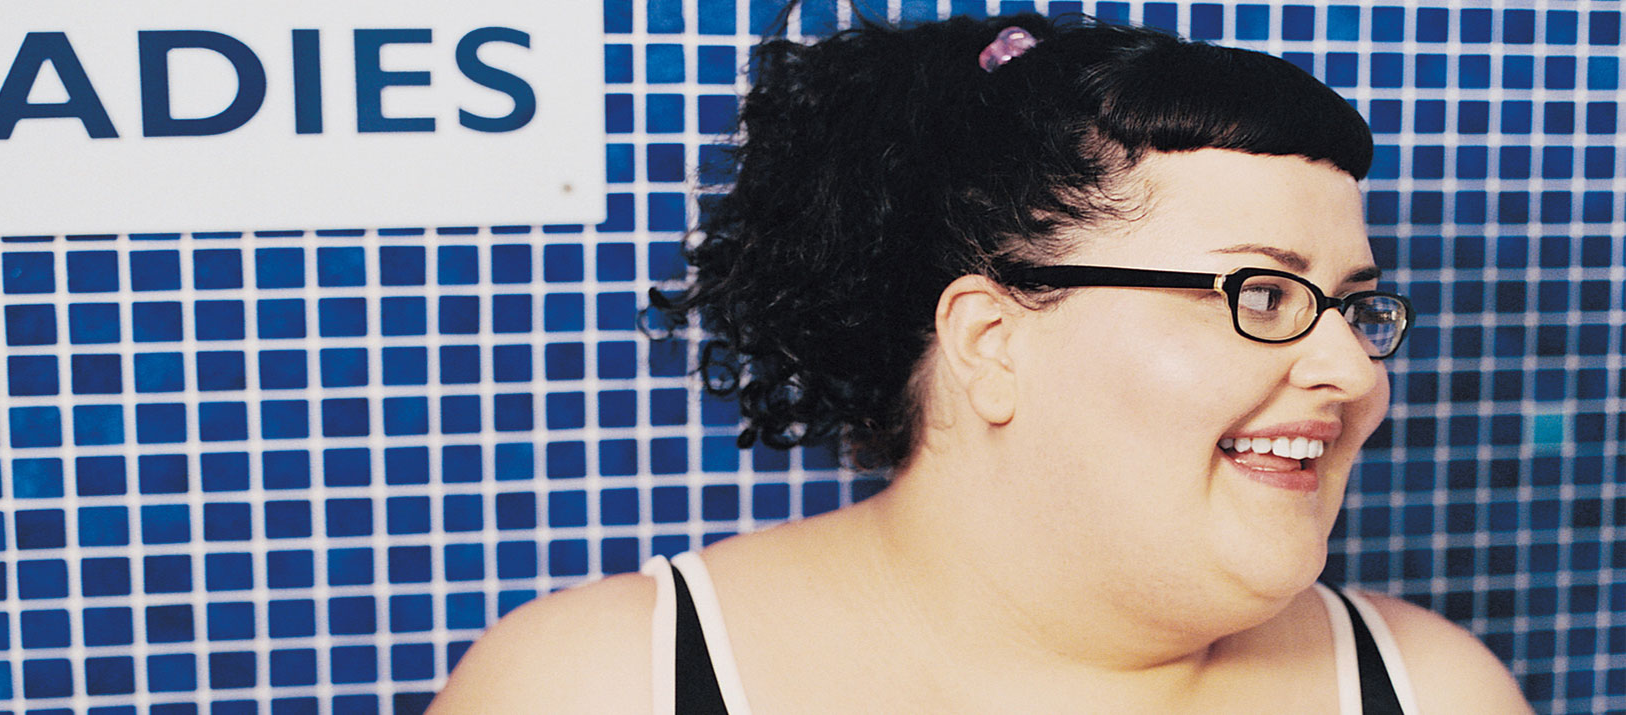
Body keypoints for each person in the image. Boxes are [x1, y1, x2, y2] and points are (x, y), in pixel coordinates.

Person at [431, 11, 1533, 714]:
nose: (1349, 367)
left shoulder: (1432, 690)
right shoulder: (601, 687)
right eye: (1264, 294)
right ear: (989, 341)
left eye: (1353, 305)